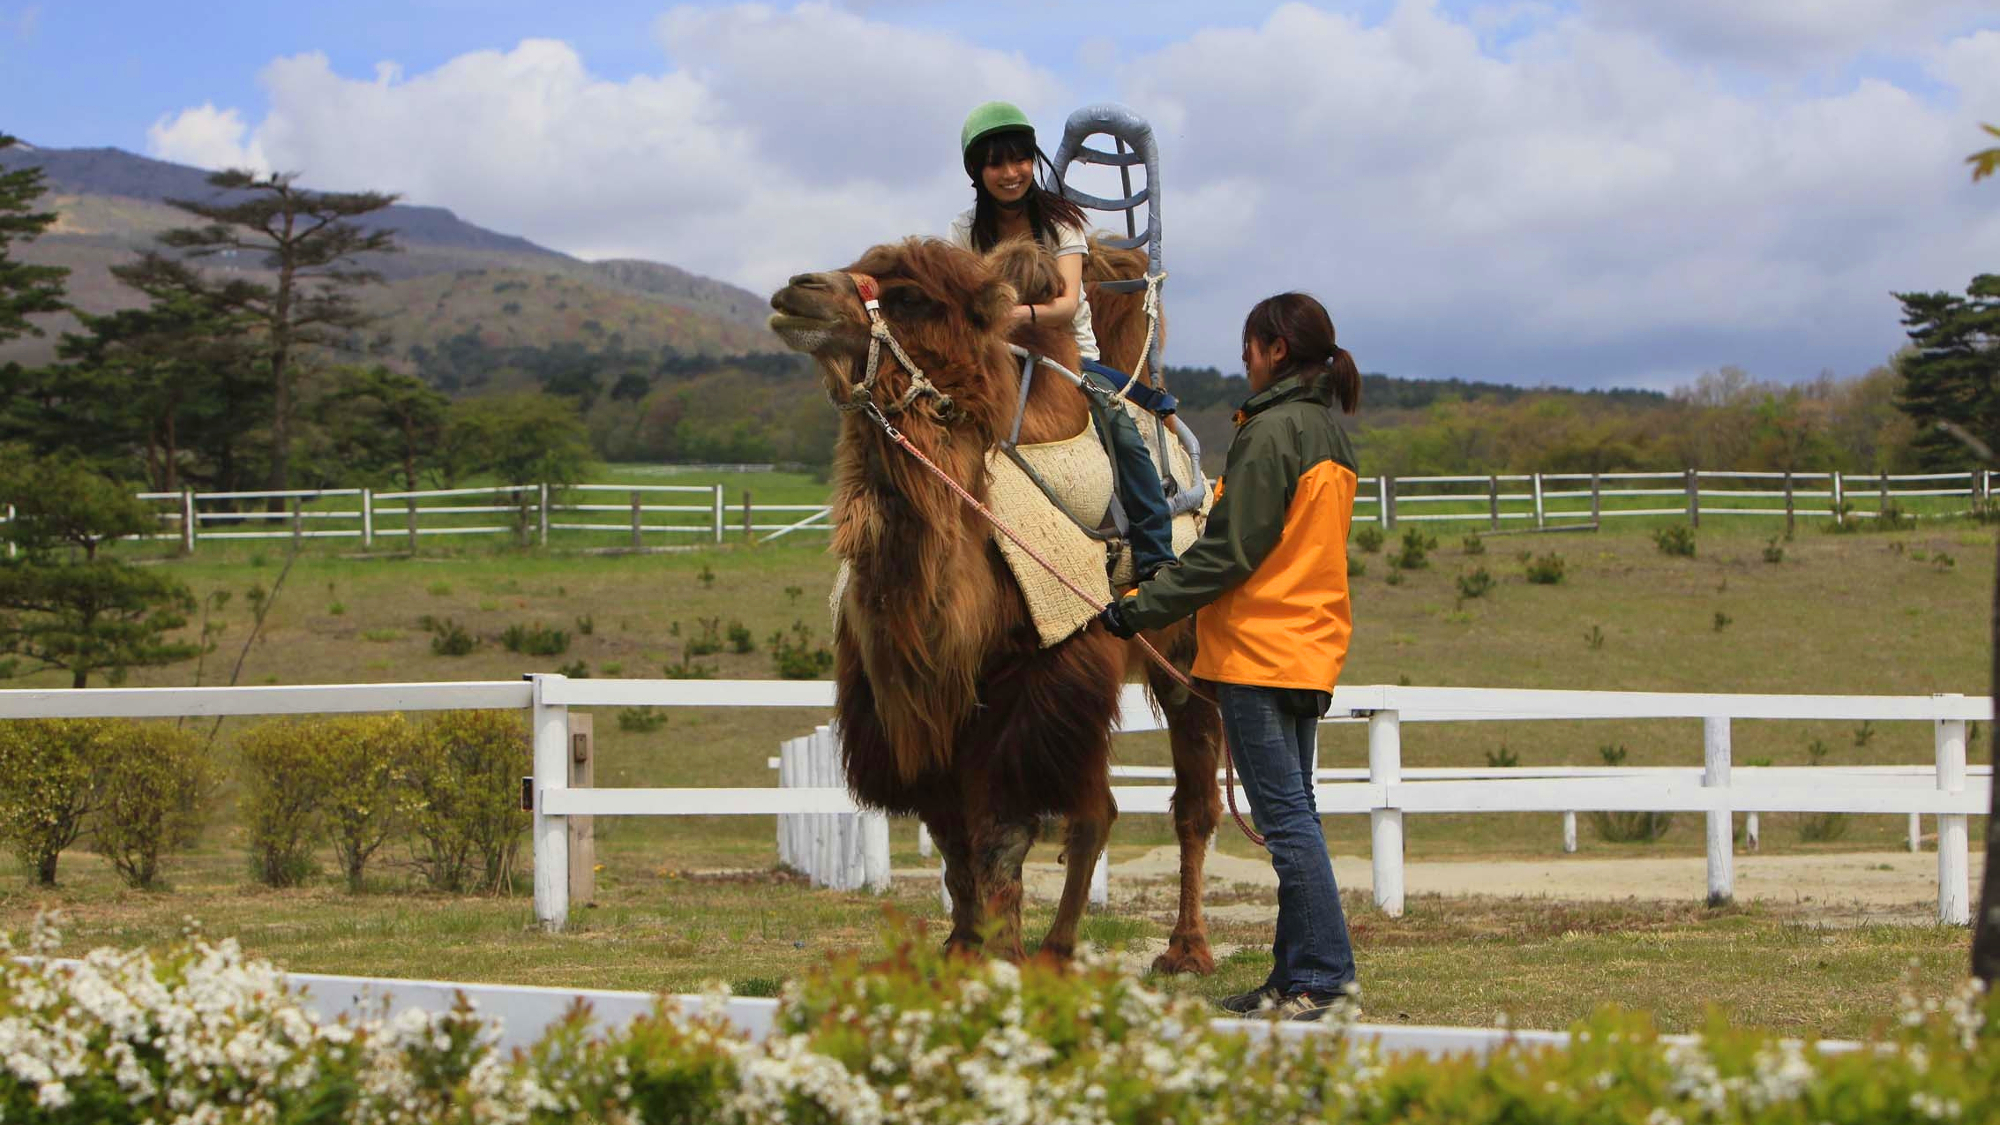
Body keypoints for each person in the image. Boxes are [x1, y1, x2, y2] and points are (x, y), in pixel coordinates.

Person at [1098, 292, 1363, 1021]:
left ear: (1276, 348)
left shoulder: (1271, 431)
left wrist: (1138, 608)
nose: (1241, 356)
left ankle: (1325, 975)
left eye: (1250, 343)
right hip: (1309, 646)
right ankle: (1291, 976)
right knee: (1294, 813)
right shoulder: (1328, 433)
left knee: (1286, 822)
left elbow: (1230, 552)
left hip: (1258, 651)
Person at [951, 101, 1176, 580]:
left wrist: (1006, 313)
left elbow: (1067, 305)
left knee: (1121, 430)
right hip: (995, 359)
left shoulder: (1060, 224)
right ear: (978, 170)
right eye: (996, 162)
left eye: (1019, 159)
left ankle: (1156, 553)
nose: (1010, 173)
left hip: (1069, 357)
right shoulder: (964, 232)